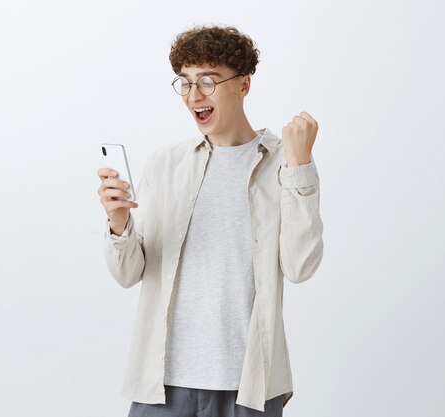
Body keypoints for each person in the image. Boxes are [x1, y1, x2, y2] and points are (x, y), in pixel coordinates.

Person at [96, 24, 324, 417]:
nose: (194, 96)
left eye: (207, 81)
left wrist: (300, 166)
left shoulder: (284, 162)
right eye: (184, 83)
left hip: (249, 385)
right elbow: (129, 274)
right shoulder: (165, 164)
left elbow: (300, 267)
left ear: (243, 85)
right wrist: (119, 224)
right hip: (161, 385)